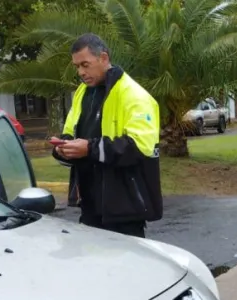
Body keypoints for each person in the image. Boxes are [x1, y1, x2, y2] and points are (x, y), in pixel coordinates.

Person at [51, 33, 162, 239]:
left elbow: (140, 147)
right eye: (77, 67)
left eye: (85, 64)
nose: (81, 72)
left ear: (103, 58)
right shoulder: (82, 93)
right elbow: (69, 132)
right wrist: (63, 148)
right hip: (90, 204)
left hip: (124, 209)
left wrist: (89, 148)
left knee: (126, 268)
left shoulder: (134, 95)